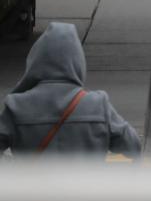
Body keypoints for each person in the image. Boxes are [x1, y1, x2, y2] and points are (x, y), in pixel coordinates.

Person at [0, 22, 141, 158]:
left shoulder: (16, 107)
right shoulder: (98, 105)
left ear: (36, 59)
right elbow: (133, 145)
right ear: (78, 61)